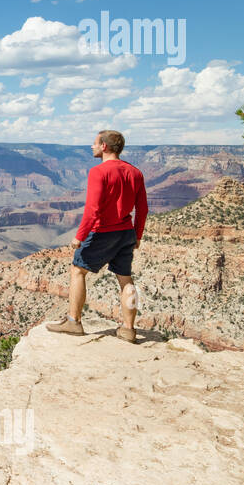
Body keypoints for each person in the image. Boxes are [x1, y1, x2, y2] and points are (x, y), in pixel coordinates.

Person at [47, 130, 148, 342]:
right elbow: (143, 208)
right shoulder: (136, 173)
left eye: (94, 143)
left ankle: (73, 322)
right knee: (126, 279)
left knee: (77, 270)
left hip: (103, 232)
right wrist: (137, 235)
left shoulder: (98, 172)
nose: (91, 147)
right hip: (126, 232)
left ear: (104, 146)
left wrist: (80, 236)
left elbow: (93, 209)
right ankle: (128, 329)